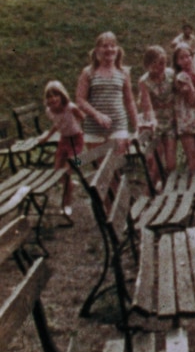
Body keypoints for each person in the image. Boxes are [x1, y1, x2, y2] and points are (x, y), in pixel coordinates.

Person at [76, 31, 138, 152]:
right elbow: (80, 100)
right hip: (94, 128)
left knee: (116, 165)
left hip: (118, 126)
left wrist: (137, 127)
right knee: (101, 168)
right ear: (97, 50)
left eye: (112, 45)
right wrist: (97, 115)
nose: (109, 49)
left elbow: (129, 101)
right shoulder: (88, 72)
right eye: (105, 46)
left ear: (117, 49)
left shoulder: (123, 72)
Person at [38, 80, 84, 216]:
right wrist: (47, 137)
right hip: (63, 140)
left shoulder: (70, 107)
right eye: (49, 97)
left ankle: (66, 204)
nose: (52, 99)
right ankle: (71, 184)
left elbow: (82, 117)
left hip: (76, 139)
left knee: (69, 169)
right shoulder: (49, 111)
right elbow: (57, 124)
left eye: (55, 95)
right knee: (57, 172)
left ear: (62, 95)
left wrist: (80, 131)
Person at [138, 45, 177, 185]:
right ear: (149, 64)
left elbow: (178, 94)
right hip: (156, 122)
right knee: (156, 165)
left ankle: (166, 189)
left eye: (164, 63)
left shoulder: (171, 75)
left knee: (171, 164)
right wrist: (152, 121)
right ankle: (149, 194)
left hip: (170, 121)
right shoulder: (144, 81)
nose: (161, 67)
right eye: (158, 63)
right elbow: (147, 105)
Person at [173, 43, 195, 172]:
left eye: (188, 56)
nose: (186, 60)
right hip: (187, 122)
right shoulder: (182, 77)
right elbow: (192, 100)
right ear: (177, 62)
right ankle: (194, 189)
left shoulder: (193, 74)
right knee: (194, 161)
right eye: (182, 58)